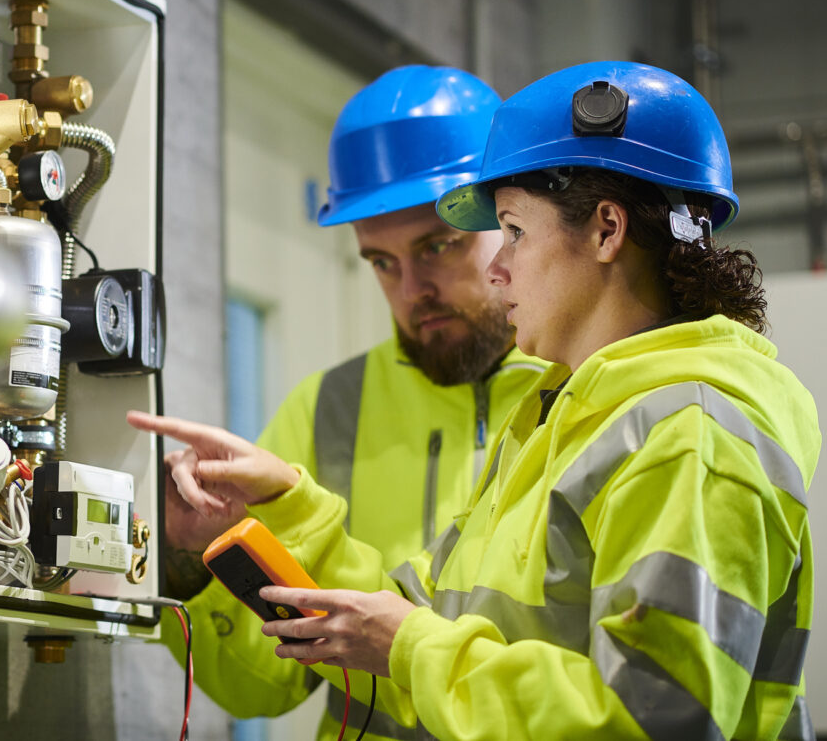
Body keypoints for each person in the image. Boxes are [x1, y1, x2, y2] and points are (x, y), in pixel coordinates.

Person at [136, 61, 818, 739]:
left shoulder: (688, 432)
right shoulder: (558, 417)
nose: (497, 268)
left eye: (512, 231)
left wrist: (411, 647)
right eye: (382, 263)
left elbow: (655, 722)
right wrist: (291, 507)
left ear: (607, 231)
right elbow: (414, 623)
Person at [158, 65, 546, 741]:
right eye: (381, 262)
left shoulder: (585, 391)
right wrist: (190, 564)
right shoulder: (324, 410)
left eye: (439, 247)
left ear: (509, 222)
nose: (412, 289)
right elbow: (262, 686)